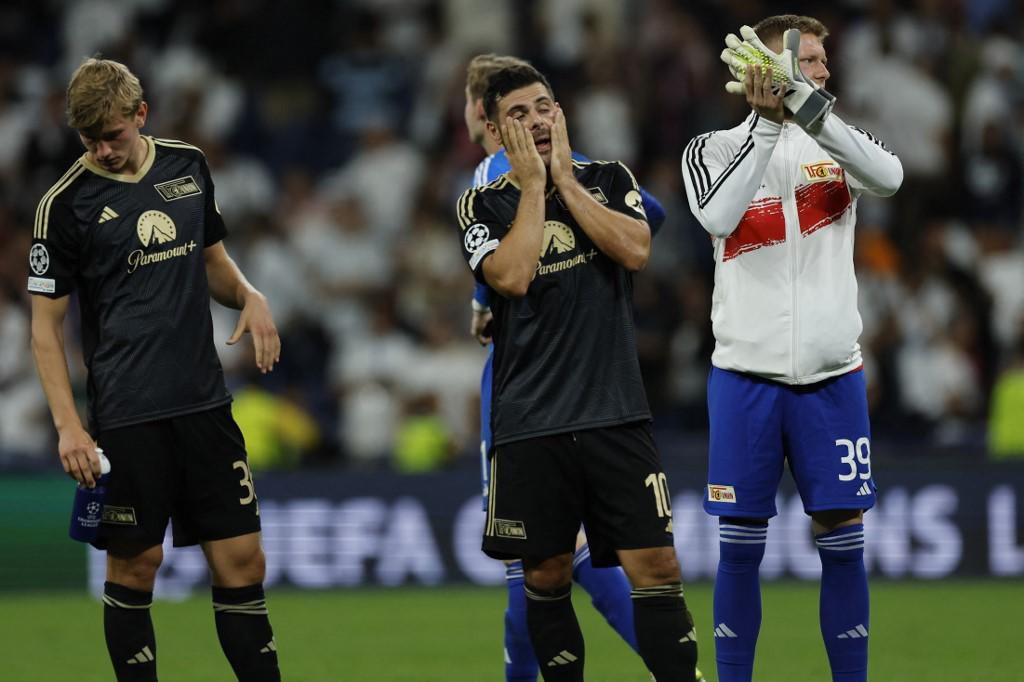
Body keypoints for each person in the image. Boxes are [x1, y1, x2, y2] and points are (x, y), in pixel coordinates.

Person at [28, 58, 282, 682]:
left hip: (204, 403)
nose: (102, 150)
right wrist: (69, 427)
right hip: (127, 415)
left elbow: (214, 262)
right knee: (136, 567)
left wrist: (252, 294)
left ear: (141, 115)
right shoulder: (62, 207)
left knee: (244, 561)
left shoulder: (187, 165)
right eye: (89, 141)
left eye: (112, 136)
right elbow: (43, 328)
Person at [456, 62, 699, 682]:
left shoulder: (609, 177)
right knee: (546, 574)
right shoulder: (482, 200)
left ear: (560, 112)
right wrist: (535, 187)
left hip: (616, 412)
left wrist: (563, 179)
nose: (536, 119)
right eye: (519, 112)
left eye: (545, 107)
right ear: (494, 127)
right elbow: (508, 276)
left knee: (658, 565)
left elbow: (637, 247)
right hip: (530, 422)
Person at [681, 15, 903, 682]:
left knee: (843, 544)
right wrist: (769, 124)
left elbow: (889, 176)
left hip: (834, 378)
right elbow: (717, 218)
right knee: (740, 549)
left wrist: (807, 109)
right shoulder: (710, 148)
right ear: (763, 64)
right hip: (746, 376)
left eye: (823, 61)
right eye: (809, 60)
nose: (824, 71)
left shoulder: (840, 143)